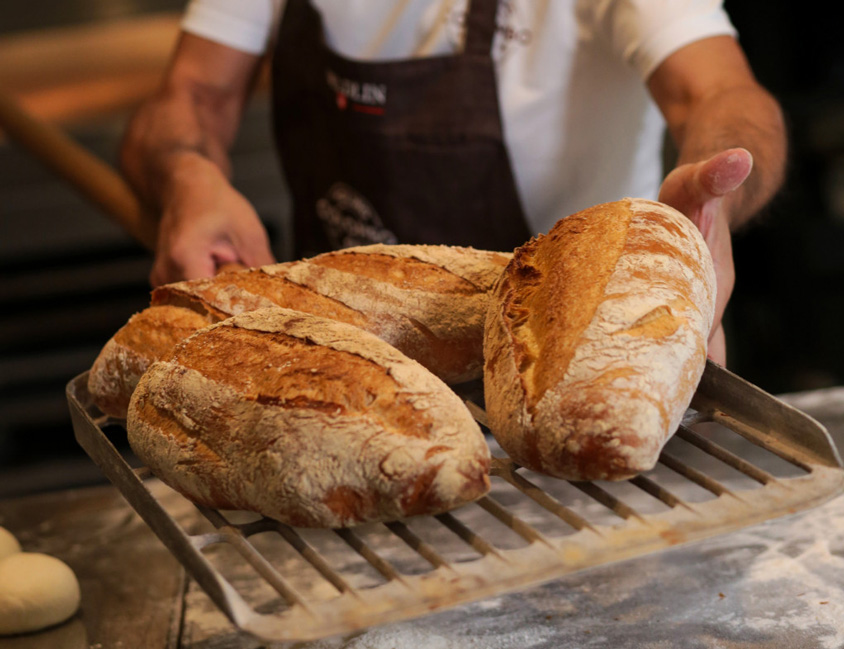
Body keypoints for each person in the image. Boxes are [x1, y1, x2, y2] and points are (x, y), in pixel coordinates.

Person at [119, 0, 787, 366]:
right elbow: (191, 96)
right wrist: (187, 176)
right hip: (334, 376)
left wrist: (709, 204)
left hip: (566, 368)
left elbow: (724, 94)